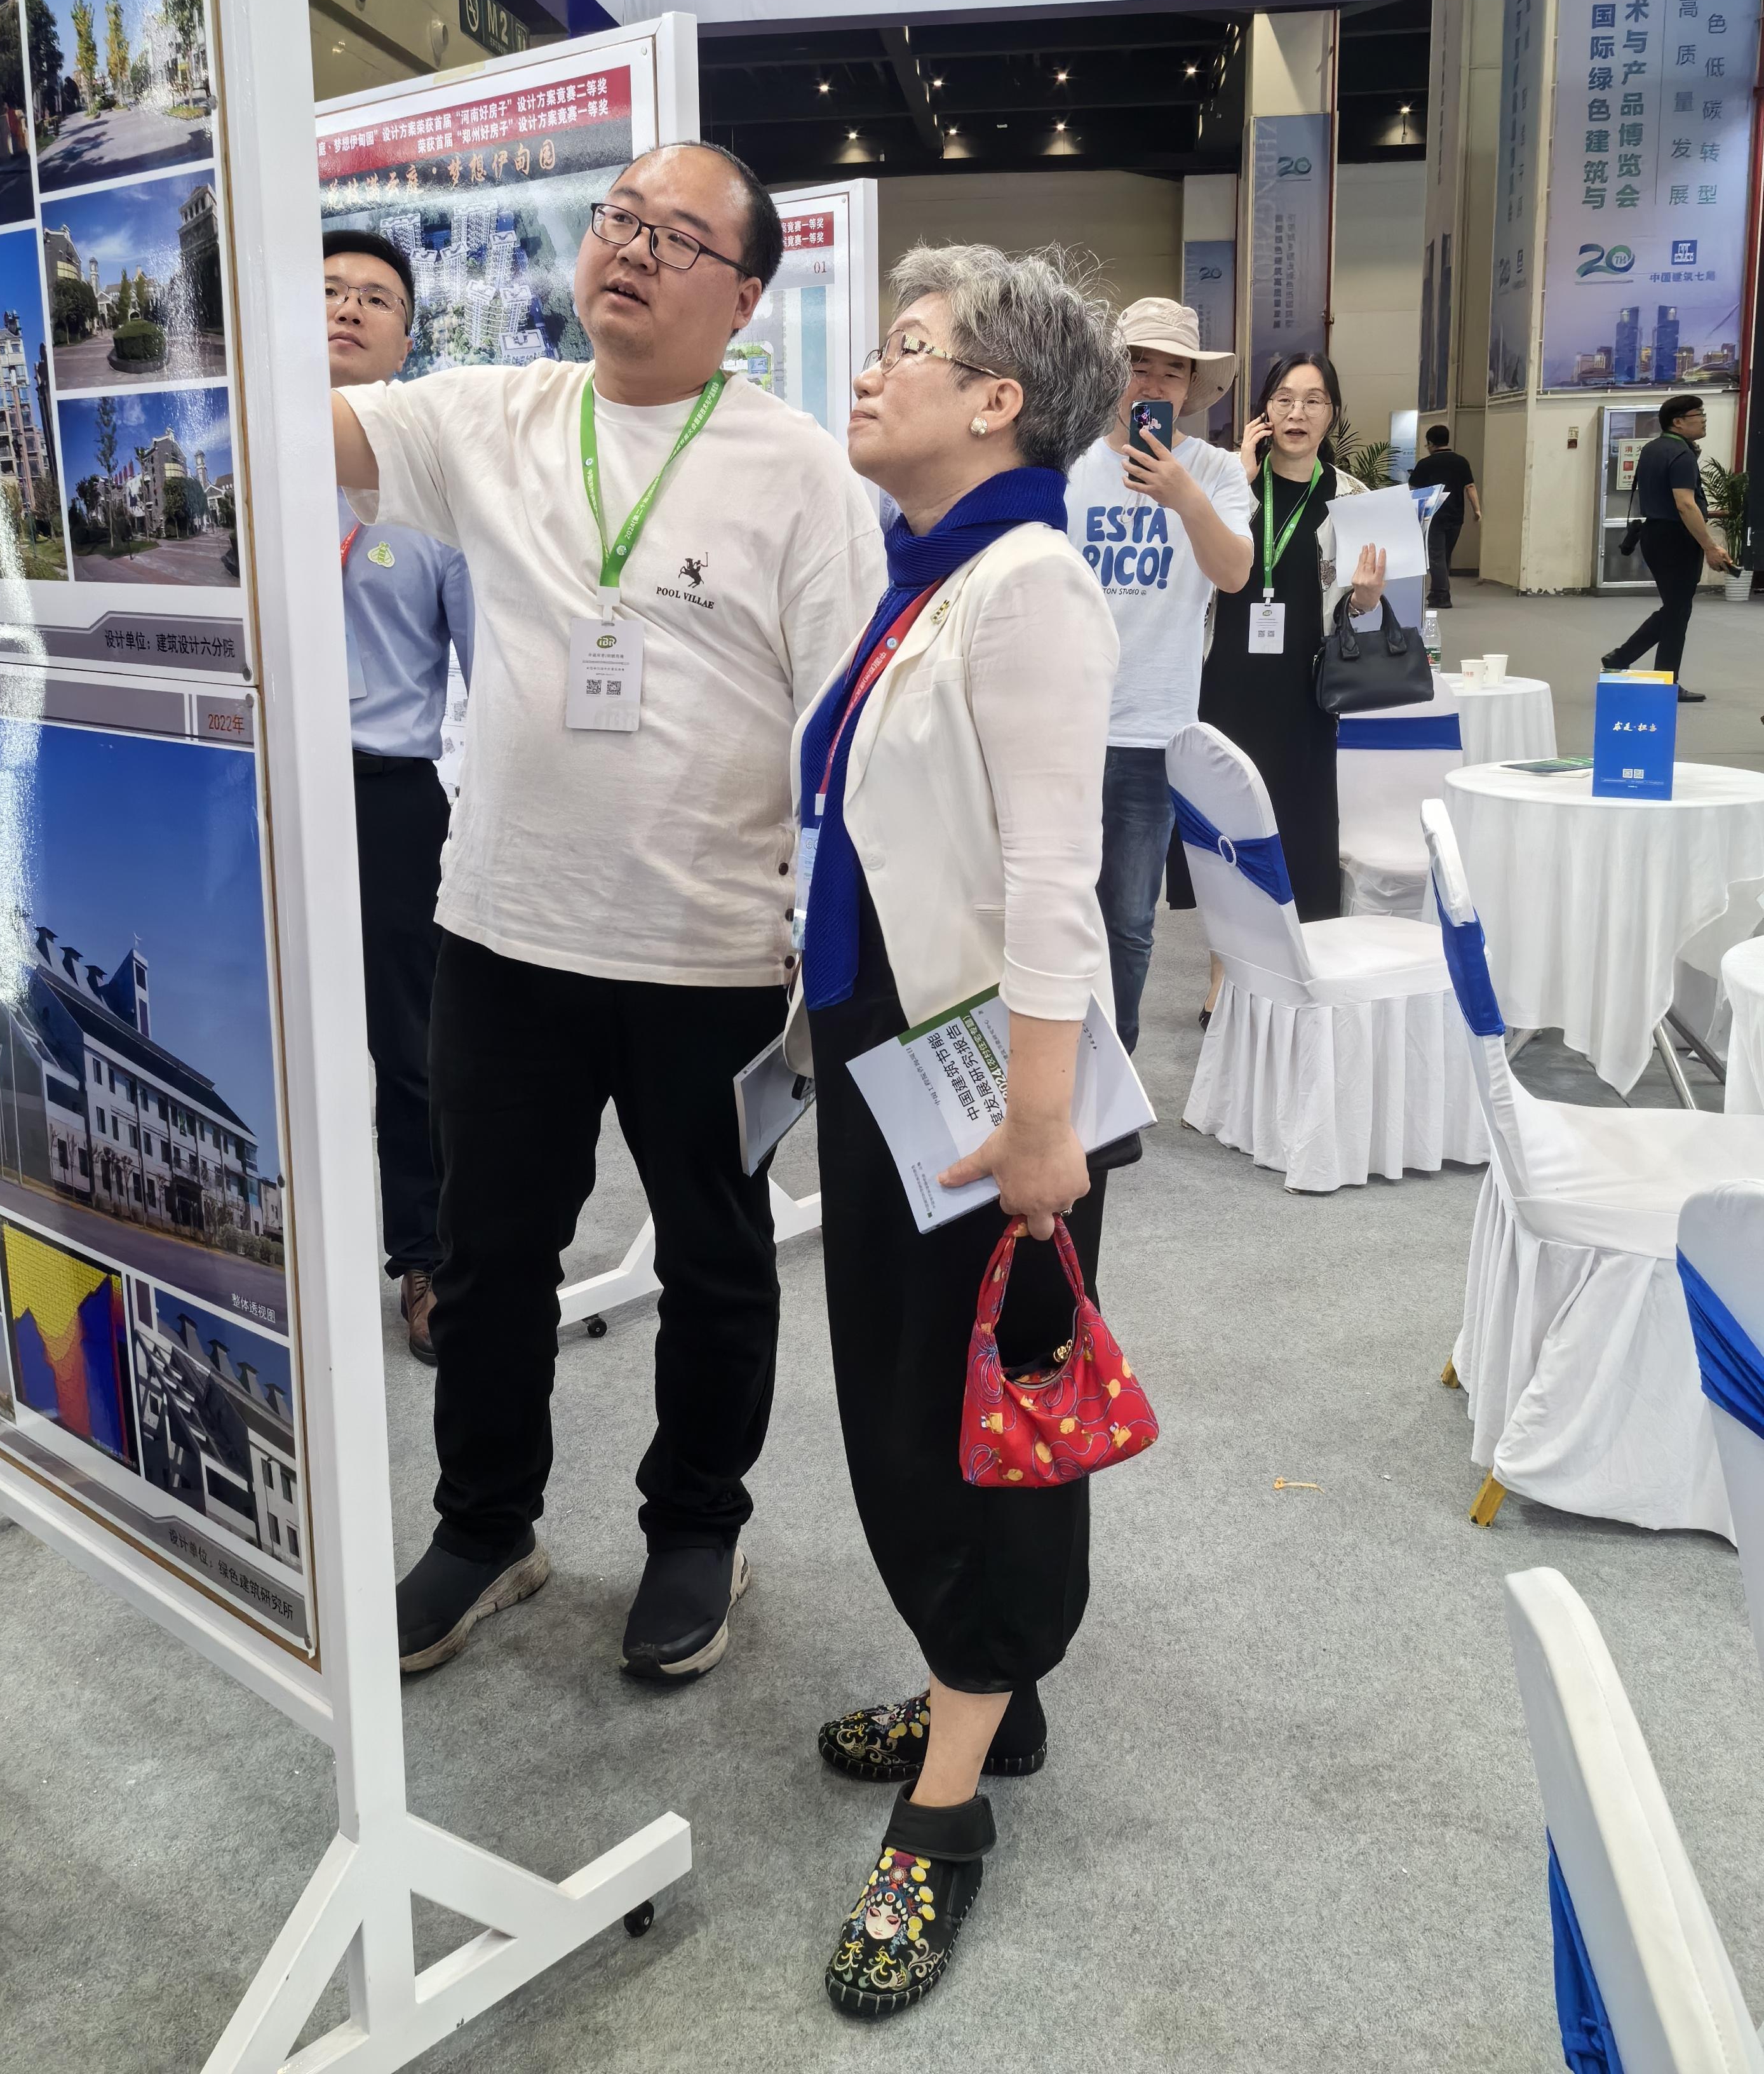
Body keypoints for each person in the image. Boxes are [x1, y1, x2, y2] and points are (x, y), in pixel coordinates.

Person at [331, 142, 884, 1684]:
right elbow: (308, 427)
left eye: (678, 237)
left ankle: (696, 1526)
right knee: (488, 1253)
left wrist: (832, 941)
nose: (632, 250)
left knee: (714, 1257)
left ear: (744, 296)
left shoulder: (795, 470)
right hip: (503, 932)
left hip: (712, 950)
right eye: (619, 220)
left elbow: (851, 720)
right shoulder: (495, 416)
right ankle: (484, 1525)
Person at [786, 244, 1129, 2017]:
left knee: (982, 1432)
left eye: (906, 347)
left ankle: (948, 1811)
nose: (871, 369)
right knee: (913, 1405)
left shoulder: (1029, 585)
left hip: (999, 1089)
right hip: (900, 1053)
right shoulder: (927, 579)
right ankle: (989, 1695)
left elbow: (1056, 878)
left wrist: (1041, 1125)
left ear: (997, 400)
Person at [325, 230, 476, 1366]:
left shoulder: (436, 497)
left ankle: (427, 1261)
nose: (347, 309)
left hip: (385, 799)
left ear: (405, 339)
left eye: (375, 297)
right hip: (247, 791)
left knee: (413, 1050)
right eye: (328, 290)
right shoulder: (226, 470)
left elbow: (492, 670)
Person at [1171, 351, 1382, 1016]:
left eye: (1313, 401)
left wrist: (1365, 601)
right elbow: (1186, 574)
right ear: (1264, 410)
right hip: (1226, 682)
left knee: (1300, 826)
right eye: (1285, 399)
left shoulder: (1354, 500)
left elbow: (1367, 617)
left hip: (1305, 690)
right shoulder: (1229, 484)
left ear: (1332, 414)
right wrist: (1236, 481)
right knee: (1227, 831)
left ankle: (1294, 973)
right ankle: (1224, 976)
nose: (1297, 413)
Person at [1066, 298, 1251, 1052]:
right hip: (1064, 725)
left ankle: (1113, 1062)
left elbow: (1234, 573)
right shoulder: (1070, 461)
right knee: (1047, 904)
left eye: (1171, 371)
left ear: (1190, 388)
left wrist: (1184, 497)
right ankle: (1050, 1064)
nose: (1151, 381)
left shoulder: (1215, 471)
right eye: (1137, 364)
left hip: (1154, 730)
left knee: (1129, 917)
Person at [1603, 394, 1736, 701]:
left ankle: (1622, 659)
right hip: (1677, 539)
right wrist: (1710, 546)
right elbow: (1685, 504)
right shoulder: (1682, 454)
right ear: (1678, 422)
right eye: (1699, 415)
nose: (1704, 420)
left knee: (1676, 609)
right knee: (1677, 612)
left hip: (1655, 536)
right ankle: (1663, 682)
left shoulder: (1652, 449)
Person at [1408, 422, 1480, 609]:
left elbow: (1414, 490)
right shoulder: (1461, 462)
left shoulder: (1425, 464)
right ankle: (1437, 591)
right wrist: (1477, 510)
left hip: (1434, 516)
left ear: (1431, 443)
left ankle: (1441, 595)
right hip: (1456, 516)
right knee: (1445, 554)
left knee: (1436, 555)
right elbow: (1470, 487)